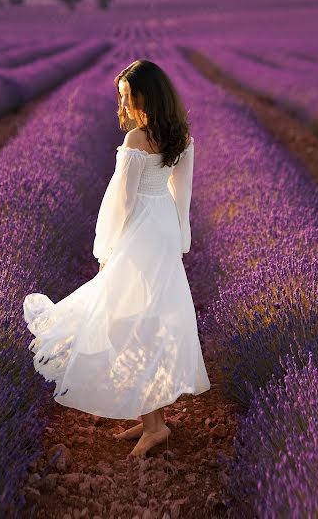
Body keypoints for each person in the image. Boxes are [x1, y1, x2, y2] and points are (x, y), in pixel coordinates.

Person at [23, 59, 210, 458]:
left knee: (127, 321)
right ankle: (152, 422)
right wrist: (179, 239)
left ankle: (155, 426)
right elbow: (184, 197)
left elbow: (121, 202)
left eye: (127, 94)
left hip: (138, 230)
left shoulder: (136, 141)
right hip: (161, 229)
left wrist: (106, 248)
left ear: (145, 95)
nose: (123, 102)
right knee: (146, 319)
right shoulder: (181, 138)